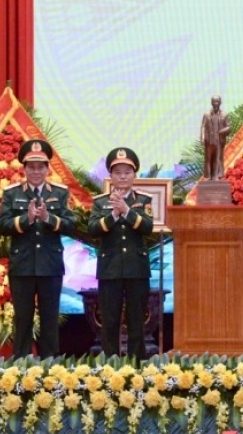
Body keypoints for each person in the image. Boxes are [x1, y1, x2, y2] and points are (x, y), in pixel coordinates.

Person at [0, 139, 76, 358]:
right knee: (23, 318)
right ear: (23, 168)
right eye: (31, 167)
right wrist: (27, 218)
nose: (36, 171)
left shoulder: (60, 193)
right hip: (22, 264)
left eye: (40, 167)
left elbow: (71, 225)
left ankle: (50, 362)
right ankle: (21, 362)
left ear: (48, 168)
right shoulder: (12, 193)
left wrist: (48, 218)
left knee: (50, 317)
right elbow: (3, 226)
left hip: (50, 264)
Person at [88, 148, 154, 358]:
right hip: (110, 268)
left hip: (136, 267)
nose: (123, 176)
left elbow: (148, 227)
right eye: (118, 172)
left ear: (134, 175)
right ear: (110, 175)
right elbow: (93, 229)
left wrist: (127, 211)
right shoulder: (100, 202)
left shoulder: (143, 200)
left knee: (137, 319)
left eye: (127, 172)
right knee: (109, 320)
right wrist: (113, 215)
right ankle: (110, 364)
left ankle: (137, 364)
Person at [200, 95, 230, 179]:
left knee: (217, 159)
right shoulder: (206, 114)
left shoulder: (224, 115)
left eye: (217, 101)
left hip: (219, 141)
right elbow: (203, 126)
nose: (215, 103)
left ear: (220, 103)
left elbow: (229, 127)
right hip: (209, 140)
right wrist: (202, 137)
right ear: (211, 103)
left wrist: (222, 131)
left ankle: (216, 176)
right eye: (214, 101)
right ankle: (208, 176)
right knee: (208, 159)